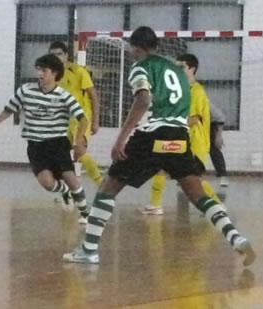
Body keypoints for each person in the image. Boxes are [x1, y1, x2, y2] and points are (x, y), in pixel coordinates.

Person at [62, 26, 255, 266]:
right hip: (179, 137)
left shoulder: (142, 67)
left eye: (132, 49)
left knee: (107, 189)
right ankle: (236, 238)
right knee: (198, 194)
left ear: (135, 47)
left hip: (152, 135)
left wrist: (122, 137)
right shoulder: (178, 71)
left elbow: (143, 99)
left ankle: (89, 250)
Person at [0, 54, 90, 224]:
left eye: (44, 70)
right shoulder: (26, 90)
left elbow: (83, 119)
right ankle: (64, 191)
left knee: (71, 178)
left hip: (58, 144)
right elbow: (9, 109)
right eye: (38, 69)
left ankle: (85, 213)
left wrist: (78, 142)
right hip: (36, 146)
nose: (40, 74)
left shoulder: (64, 96)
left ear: (54, 73)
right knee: (47, 183)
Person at [141, 54, 222, 215]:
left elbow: (194, 118)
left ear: (192, 69)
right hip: (179, 141)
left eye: (182, 67)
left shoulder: (197, 91)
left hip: (195, 144)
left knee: (194, 180)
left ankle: (217, 206)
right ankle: (155, 205)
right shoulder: (180, 90)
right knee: (160, 168)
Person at [49, 42, 103, 189]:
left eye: (59, 54)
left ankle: (102, 186)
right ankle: (70, 190)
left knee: (79, 149)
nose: (56, 57)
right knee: (61, 156)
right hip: (61, 120)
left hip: (80, 118)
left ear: (66, 55)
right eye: (53, 54)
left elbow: (94, 96)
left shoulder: (78, 71)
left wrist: (96, 121)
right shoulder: (50, 75)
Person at [209, 102, 229, 187]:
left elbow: (220, 118)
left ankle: (222, 176)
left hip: (210, 125)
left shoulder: (204, 101)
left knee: (214, 150)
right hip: (193, 126)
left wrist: (219, 136)